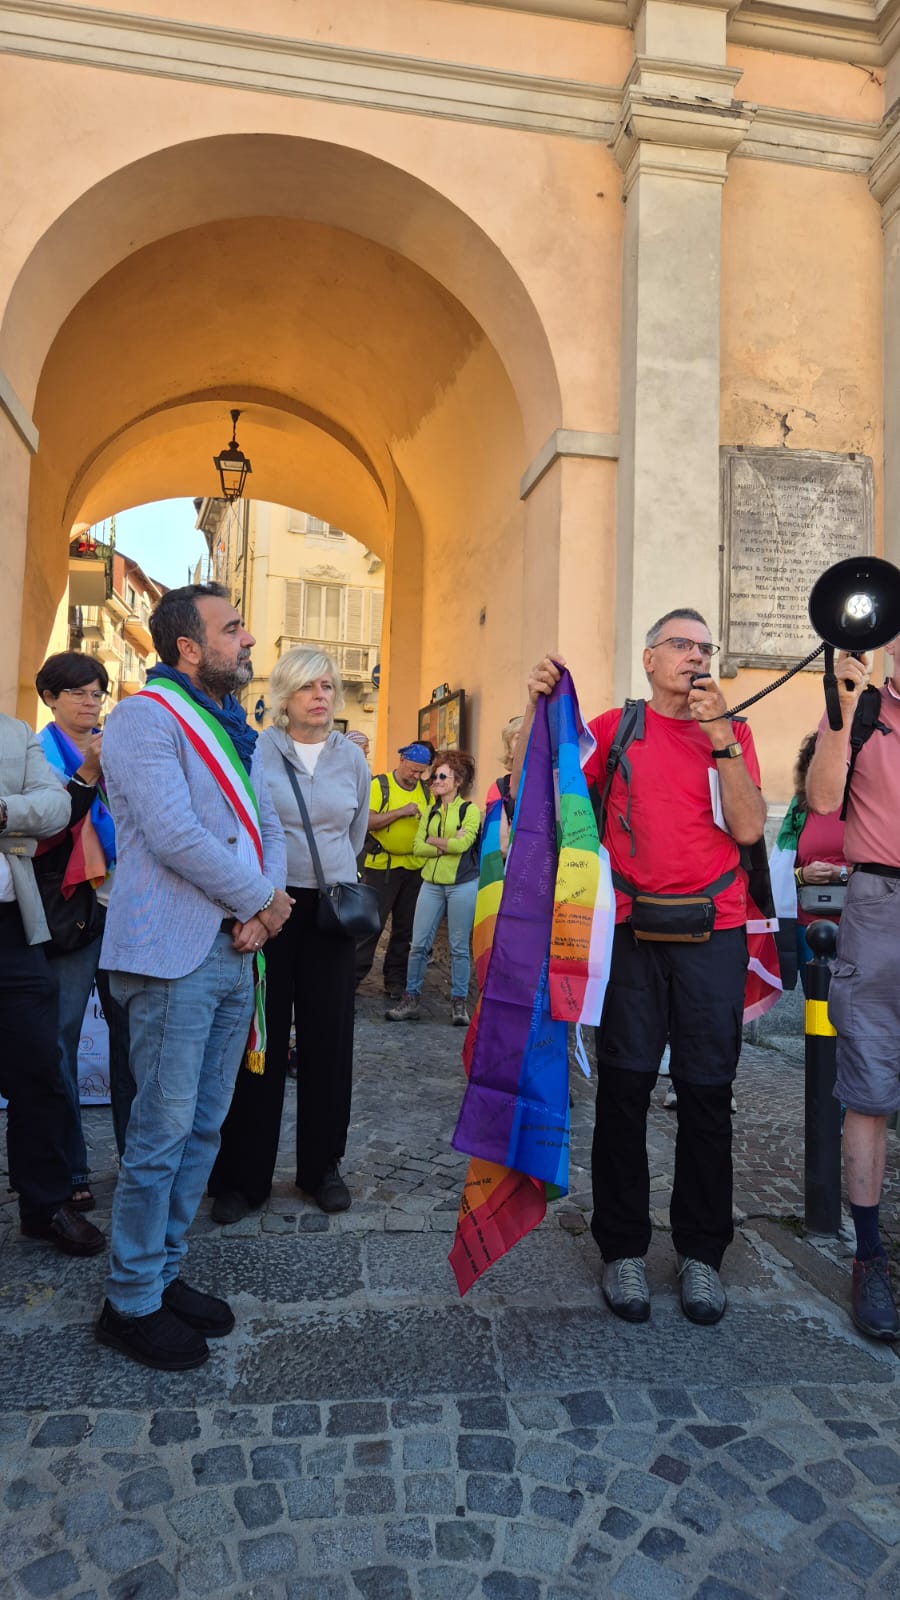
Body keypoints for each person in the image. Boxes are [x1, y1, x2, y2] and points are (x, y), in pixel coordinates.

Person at [522, 613, 766, 1326]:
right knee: (624, 1093)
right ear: (650, 657)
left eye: (705, 648)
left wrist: (721, 737)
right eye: (683, 646)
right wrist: (541, 712)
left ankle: (700, 1255)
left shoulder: (734, 731)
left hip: (713, 933)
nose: (697, 658)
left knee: (707, 1096)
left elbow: (748, 828)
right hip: (629, 934)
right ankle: (623, 1249)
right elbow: (547, 792)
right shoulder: (615, 728)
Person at [94, 583, 290, 1372]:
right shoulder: (144, 718)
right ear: (186, 647)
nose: (247, 639)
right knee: (160, 1135)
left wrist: (267, 913)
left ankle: (162, 1273)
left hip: (234, 950)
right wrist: (261, 900)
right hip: (172, 953)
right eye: (232, 628)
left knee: (204, 1127)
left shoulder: (232, 730)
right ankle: (129, 1300)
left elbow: (267, 828)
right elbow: (174, 834)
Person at [211, 646, 370, 1224]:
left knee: (329, 1040)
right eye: (308, 687)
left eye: (328, 686)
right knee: (260, 1041)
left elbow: (353, 837)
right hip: (269, 907)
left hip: (330, 912)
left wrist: (322, 879)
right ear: (284, 696)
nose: (321, 696)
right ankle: (242, 1175)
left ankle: (321, 1167)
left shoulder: (351, 759)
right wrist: (266, 895)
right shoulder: (256, 751)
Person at [806, 638, 900, 1342]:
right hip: (880, 904)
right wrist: (840, 710)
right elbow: (822, 799)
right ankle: (869, 1256)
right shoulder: (861, 713)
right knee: (868, 1083)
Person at [0, 712, 105, 1257]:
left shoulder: (14, 734)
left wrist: (2, 811)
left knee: (41, 1067)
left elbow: (56, 807)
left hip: (12, 929)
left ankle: (44, 1206)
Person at [34, 651, 133, 1193]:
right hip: (72, 910)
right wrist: (87, 773)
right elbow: (46, 833)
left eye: (97, 691)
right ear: (50, 697)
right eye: (78, 692)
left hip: (124, 908)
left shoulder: (122, 748)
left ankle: (136, 1161)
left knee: (130, 1042)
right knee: (60, 1042)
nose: (91, 701)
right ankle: (71, 1170)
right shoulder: (34, 753)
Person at [386, 749, 481, 1027]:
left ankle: (459, 1003)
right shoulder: (430, 810)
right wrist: (445, 845)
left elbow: (463, 846)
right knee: (417, 945)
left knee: (459, 947)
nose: (434, 781)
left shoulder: (470, 810)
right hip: (431, 884)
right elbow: (418, 847)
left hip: (462, 885)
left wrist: (435, 841)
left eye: (442, 776)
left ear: (458, 780)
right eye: (433, 776)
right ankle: (411, 999)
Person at [354, 741, 432, 998]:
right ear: (402, 761)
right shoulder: (380, 785)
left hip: (415, 868)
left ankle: (395, 981)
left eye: (422, 771)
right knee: (371, 925)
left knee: (405, 928)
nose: (417, 776)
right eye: (413, 770)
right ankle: (352, 977)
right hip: (382, 868)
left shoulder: (426, 791)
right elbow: (367, 822)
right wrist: (401, 812)